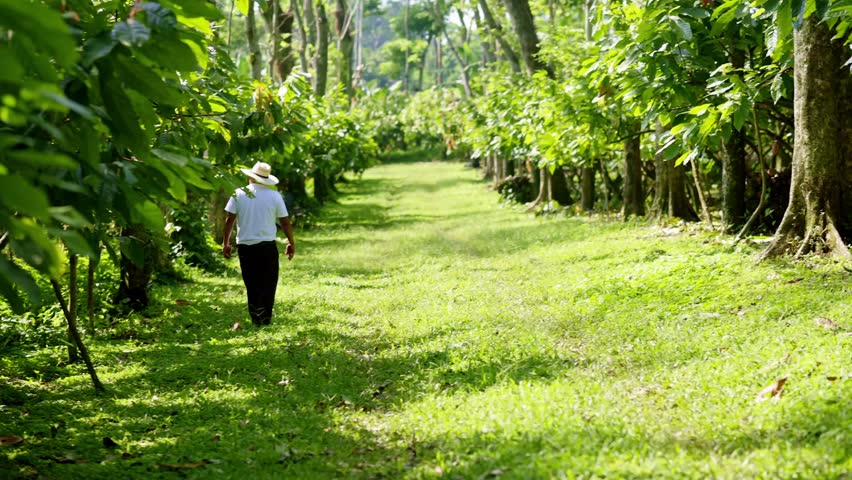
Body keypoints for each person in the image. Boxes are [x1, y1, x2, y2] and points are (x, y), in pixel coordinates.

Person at [222, 162, 295, 326]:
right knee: (269, 281)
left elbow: (229, 220)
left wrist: (225, 242)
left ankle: (256, 316)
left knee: (252, 281)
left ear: (250, 177)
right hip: (267, 246)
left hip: (245, 246)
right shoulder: (274, 196)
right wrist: (291, 243)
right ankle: (265, 317)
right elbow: (285, 222)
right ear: (267, 179)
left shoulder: (238, 194)